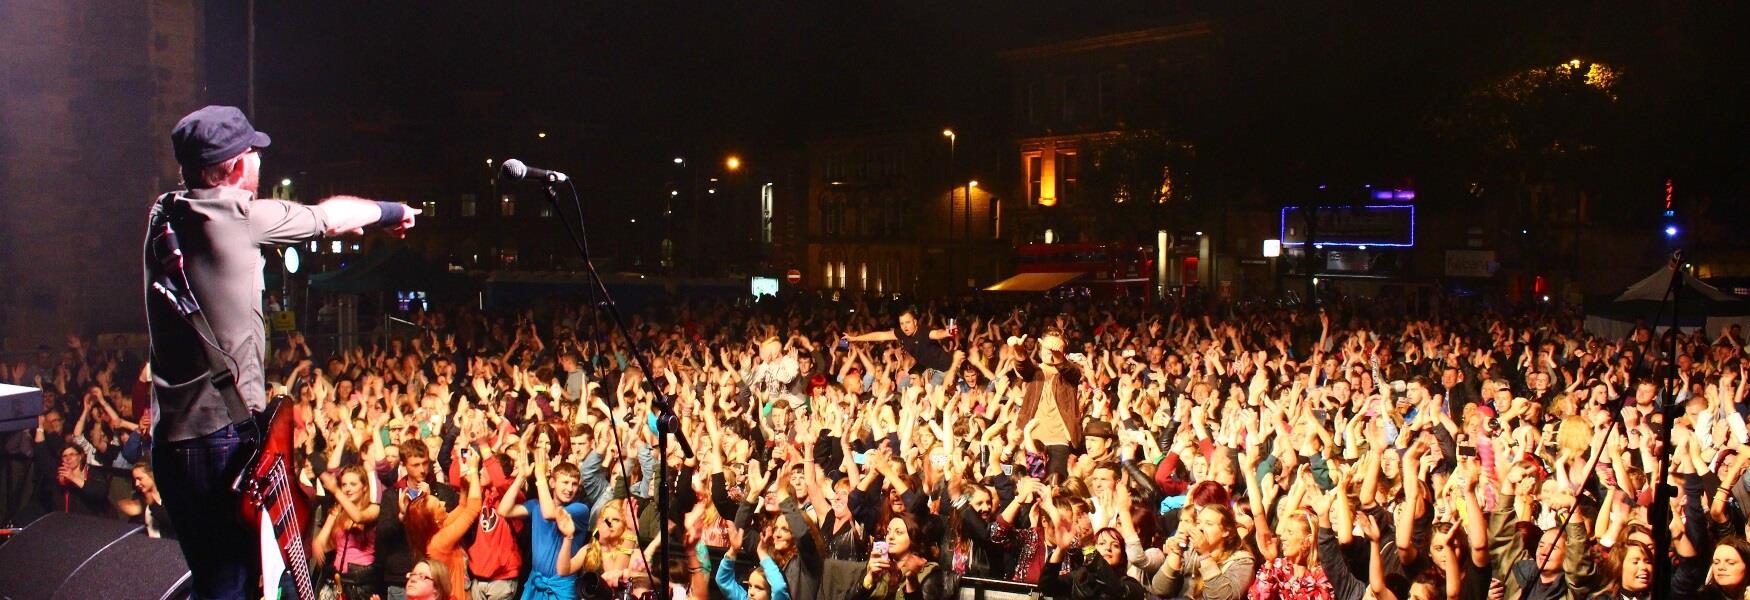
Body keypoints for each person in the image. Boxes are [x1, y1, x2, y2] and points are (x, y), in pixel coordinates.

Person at [145, 105, 418, 599]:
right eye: (251, 154)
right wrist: (393, 213)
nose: (258, 163)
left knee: (213, 577)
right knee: (233, 583)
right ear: (231, 168)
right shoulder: (237, 216)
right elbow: (329, 217)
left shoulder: (163, 215)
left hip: (170, 440)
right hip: (217, 440)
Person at [844, 310, 963, 376]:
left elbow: (936, 333)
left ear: (915, 322)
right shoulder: (901, 333)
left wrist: (947, 333)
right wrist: (855, 339)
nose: (905, 326)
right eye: (902, 323)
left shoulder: (923, 331)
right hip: (931, 369)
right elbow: (880, 335)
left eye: (908, 322)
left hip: (947, 367)